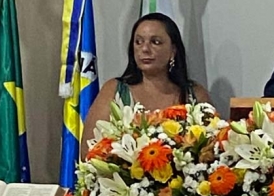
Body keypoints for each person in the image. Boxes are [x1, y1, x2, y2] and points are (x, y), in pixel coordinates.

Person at [82, 13, 211, 154]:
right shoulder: (114, 90)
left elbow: (213, 149)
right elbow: (89, 151)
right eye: (138, 42)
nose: (144, 49)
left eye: (155, 42)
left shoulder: (195, 95)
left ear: (173, 50)